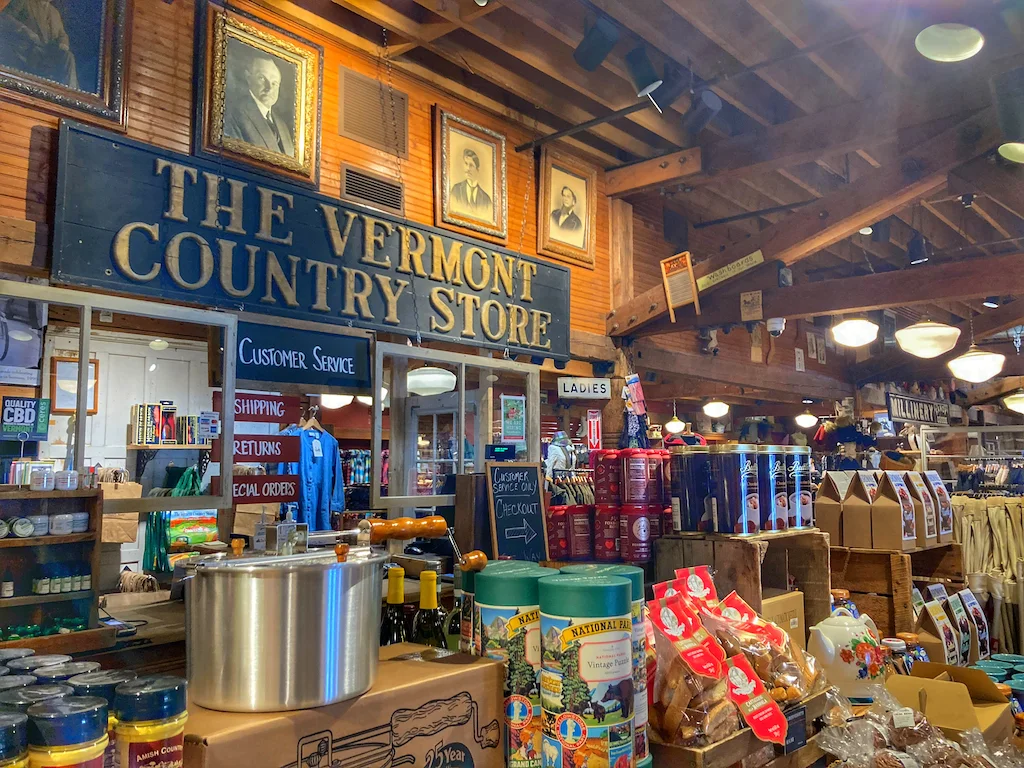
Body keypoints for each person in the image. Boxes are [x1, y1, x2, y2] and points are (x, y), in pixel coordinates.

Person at [224, 53, 294, 156]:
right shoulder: (234, 114)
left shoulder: (282, 125)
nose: (269, 88)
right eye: (262, 78)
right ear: (248, 78)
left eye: (274, 83)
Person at [0, 0, 77, 89]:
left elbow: (62, 34)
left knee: (68, 57)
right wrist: (25, 30)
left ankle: (70, 94)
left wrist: (63, 44)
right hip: (26, 51)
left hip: (47, 54)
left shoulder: (55, 13)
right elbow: (4, 17)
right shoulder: (25, 2)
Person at [450, 147, 492, 217]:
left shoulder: (486, 199)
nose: (468, 169)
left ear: (477, 170)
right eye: (466, 164)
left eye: (471, 165)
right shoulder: (456, 190)